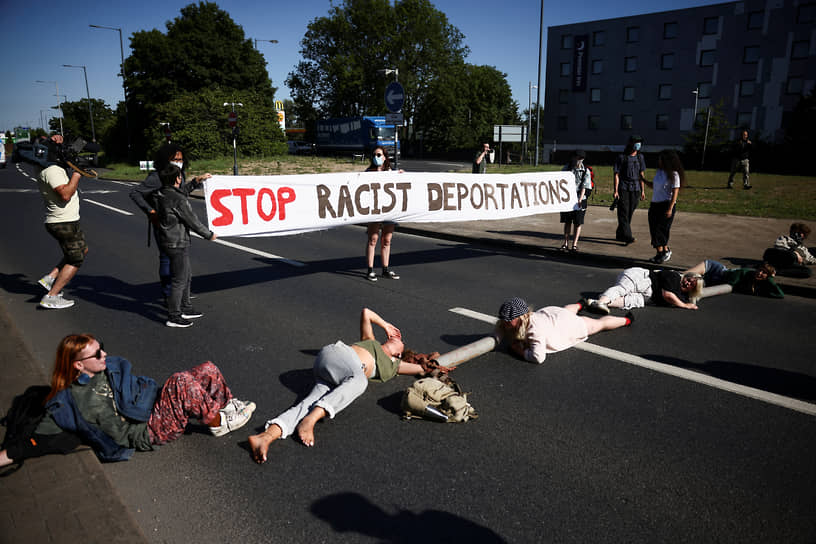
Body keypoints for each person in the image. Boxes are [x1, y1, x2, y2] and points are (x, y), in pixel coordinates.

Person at [0, 333, 255, 467]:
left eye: (102, 347)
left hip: (151, 405)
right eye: (97, 353)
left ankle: (225, 406)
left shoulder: (107, 367)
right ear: (78, 365)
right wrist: (9, 452)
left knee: (208, 369)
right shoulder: (73, 401)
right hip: (147, 430)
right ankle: (217, 421)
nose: (105, 354)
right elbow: (36, 439)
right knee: (180, 381)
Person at [248, 308, 425, 463]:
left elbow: (422, 368)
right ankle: (311, 420)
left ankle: (265, 437)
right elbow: (366, 312)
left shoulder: (394, 366)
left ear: (399, 353)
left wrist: (441, 365)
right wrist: (386, 325)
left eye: (398, 340)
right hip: (335, 354)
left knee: (307, 404)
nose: (394, 337)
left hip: (335, 376)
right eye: (393, 336)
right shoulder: (370, 340)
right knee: (360, 381)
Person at [129, 143, 212, 299]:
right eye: (175, 159)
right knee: (167, 258)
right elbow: (135, 193)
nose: (178, 162)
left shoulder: (180, 174)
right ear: (165, 160)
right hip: (162, 223)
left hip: (178, 225)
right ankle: (169, 293)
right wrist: (151, 211)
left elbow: (179, 194)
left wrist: (196, 181)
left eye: (180, 159)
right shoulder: (156, 177)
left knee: (179, 259)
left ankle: (178, 292)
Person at [155, 164, 217, 328]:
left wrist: (197, 181)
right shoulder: (177, 199)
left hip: (169, 240)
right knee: (179, 280)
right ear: (177, 178)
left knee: (186, 275)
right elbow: (192, 220)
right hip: (176, 242)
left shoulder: (163, 192)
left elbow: (181, 192)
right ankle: (174, 315)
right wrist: (208, 234)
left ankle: (186, 307)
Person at [36, 135, 90, 309]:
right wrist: (77, 173)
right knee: (76, 259)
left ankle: (50, 278)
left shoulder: (49, 167)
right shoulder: (51, 170)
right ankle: (51, 296)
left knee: (83, 249)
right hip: (62, 222)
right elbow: (65, 194)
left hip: (69, 220)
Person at [495, 297, 632, 364]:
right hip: (552, 315)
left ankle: (626, 320)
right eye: (503, 319)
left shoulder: (534, 330)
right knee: (565, 310)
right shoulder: (524, 319)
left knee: (598, 324)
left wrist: (519, 351)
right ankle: (580, 304)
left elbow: (538, 357)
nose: (504, 323)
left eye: (508, 320)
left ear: (521, 318)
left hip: (570, 327)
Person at [585, 267, 704, 313]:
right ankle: (602, 302)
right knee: (622, 289)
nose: (687, 282)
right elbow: (667, 295)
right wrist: (684, 305)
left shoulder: (683, 296)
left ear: (692, 289)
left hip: (647, 297)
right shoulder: (675, 276)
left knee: (630, 302)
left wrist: (688, 302)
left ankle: (595, 303)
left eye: (691, 284)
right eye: (689, 279)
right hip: (643, 279)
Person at [642, 149, 685, 263]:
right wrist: (643, 180)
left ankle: (661, 253)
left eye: (661, 158)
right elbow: (654, 186)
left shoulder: (674, 175)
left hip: (666, 204)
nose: (659, 161)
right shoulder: (659, 172)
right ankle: (662, 252)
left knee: (661, 230)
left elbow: (675, 192)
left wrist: (670, 208)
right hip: (654, 204)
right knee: (654, 229)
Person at [364, 146, 400, 281]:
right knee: (373, 238)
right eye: (374, 155)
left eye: (379, 155)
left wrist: (403, 175)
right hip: (374, 210)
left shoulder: (392, 172)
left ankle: (385, 269)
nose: (376, 157)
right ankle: (370, 270)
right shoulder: (368, 172)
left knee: (387, 240)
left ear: (385, 157)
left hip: (389, 210)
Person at [684, 260, 784, 299]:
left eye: (764, 273)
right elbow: (730, 284)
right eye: (760, 270)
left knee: (689, 284)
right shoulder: (744, 272)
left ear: (768, 276)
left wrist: (770, 279)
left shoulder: (761, 282)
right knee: (683, 276)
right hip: (713, 268)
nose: (760, 273)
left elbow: (780, 294)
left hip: (713, 280)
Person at [612, 135, 647, 245]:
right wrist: (616, 190)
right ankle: (628, 236)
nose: (638, 144)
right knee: (623, 212)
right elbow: (616, 174)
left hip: (635, 188)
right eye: (636, 142)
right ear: (630, 143)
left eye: (639, 142)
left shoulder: (640, 157)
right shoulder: (622, 157)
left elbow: (641, 174)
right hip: (623, 187)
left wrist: (642, 190)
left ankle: (620, 233)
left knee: (629, 213)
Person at [559, 150, 592, 252]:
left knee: (578, 222)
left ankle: (574, 244)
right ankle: (565, 243)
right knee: (567, 221)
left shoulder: (585, 171)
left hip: (579, 199)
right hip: (568, 198)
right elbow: (560, 180)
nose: (578, 160)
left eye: (580, 158)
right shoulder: (567, 168)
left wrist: (580, 199)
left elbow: (585, 186)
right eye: (577, 158)